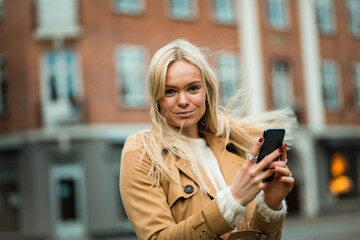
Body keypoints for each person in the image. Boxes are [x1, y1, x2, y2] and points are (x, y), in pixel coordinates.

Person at [119, 39, 296, 240]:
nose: (183, 101)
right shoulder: (142, 152)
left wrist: (270, 206)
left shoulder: (234, 147)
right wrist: (233, 200)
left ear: (207, 92)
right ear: (156, 97)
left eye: (193, 88)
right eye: (170, 91)